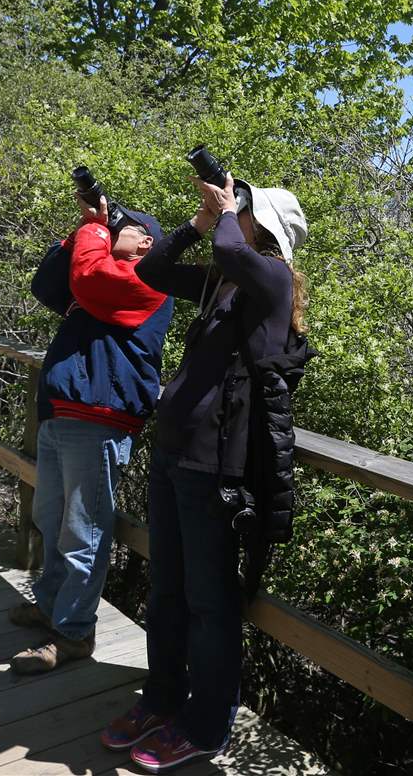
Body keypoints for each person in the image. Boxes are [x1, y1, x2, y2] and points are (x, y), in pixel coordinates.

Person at [100, 170, 310, 774]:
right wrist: (195, 223)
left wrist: (221, 215)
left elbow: (229, 248)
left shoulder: (271, 279)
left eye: (242, 207)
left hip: (215, 467)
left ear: (262, 225)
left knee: (209, 603)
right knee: (166, 590)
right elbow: (153, 271)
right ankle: (161, 699)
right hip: (172, 455)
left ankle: (205, 721)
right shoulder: (222, 282)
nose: (230, 212)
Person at [9, 194, 173, 673]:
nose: (112, 227)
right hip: (64, 412)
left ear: (146, 242)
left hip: (102, 417)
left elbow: (89, 275)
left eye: (126, 225)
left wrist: (95, 233)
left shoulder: (145, 282)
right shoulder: (95, 279)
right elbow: (46, 286)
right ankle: (51, 603)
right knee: (51, 517)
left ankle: (73, 632)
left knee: (83, 530)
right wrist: (76, 234)